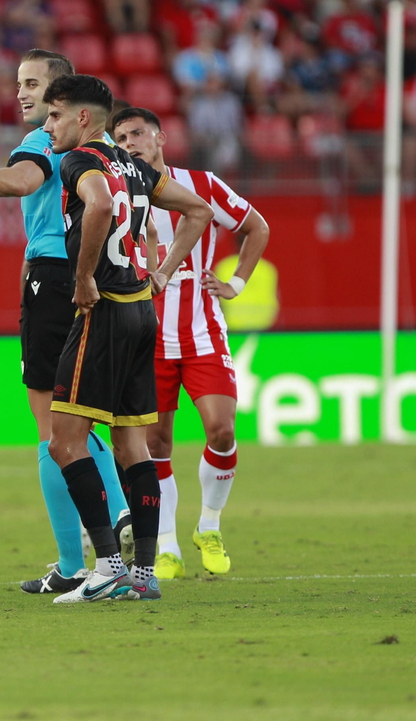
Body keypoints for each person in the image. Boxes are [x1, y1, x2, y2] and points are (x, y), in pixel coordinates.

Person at [0, 49, 133, 596]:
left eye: (33, 84)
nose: (20, 93)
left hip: (58, 282)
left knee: (53, 430)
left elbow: (19, 182)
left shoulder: (45, 141)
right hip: (95, 280)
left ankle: (75, 558)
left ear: (62, 97)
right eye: (19, 83)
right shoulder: (103, 152)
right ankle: (123, 523)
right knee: (88, 421)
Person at [38, 74, 211, 603]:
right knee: (131, 443)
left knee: (64, 442)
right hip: (142, 311)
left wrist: (85, 276)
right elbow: (198, 211)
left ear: (82, 119)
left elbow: (98, 206)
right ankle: (143, 573)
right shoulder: (135, 165)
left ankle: (109, 565)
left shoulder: (80, 161)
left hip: (106, 311)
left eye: (54, 116)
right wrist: (160, 273)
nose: (48, 128)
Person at [111, 106, 271, 578]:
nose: (130, 143)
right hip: (147, 334)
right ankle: (166, 545)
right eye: (120, 138)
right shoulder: (117, 191)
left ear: (160, 137)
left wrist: (238, 283)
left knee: (221, 429)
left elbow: (256, 226)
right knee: (155, 443)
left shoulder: (201, 185)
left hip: (202, 329)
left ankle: (209, 524)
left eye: (137, 134)